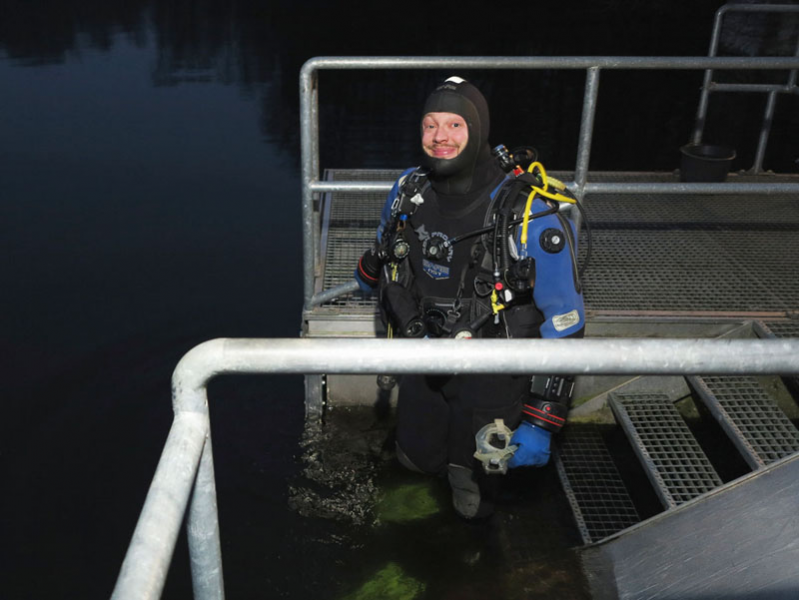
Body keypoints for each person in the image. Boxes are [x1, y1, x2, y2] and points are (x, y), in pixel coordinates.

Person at [355, 77, 585, 519]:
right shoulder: (408, 190)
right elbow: (385, 254)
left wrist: (542, 419)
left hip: (492, 374)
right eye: (430, 125)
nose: (439, 137)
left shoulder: (529, 214)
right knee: (414, 463)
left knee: (474, 492)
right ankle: (417, 541)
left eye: (455, 125)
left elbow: (566, 322)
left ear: (478, 131)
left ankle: (472, 545)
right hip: (422, 358)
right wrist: (372, 275)